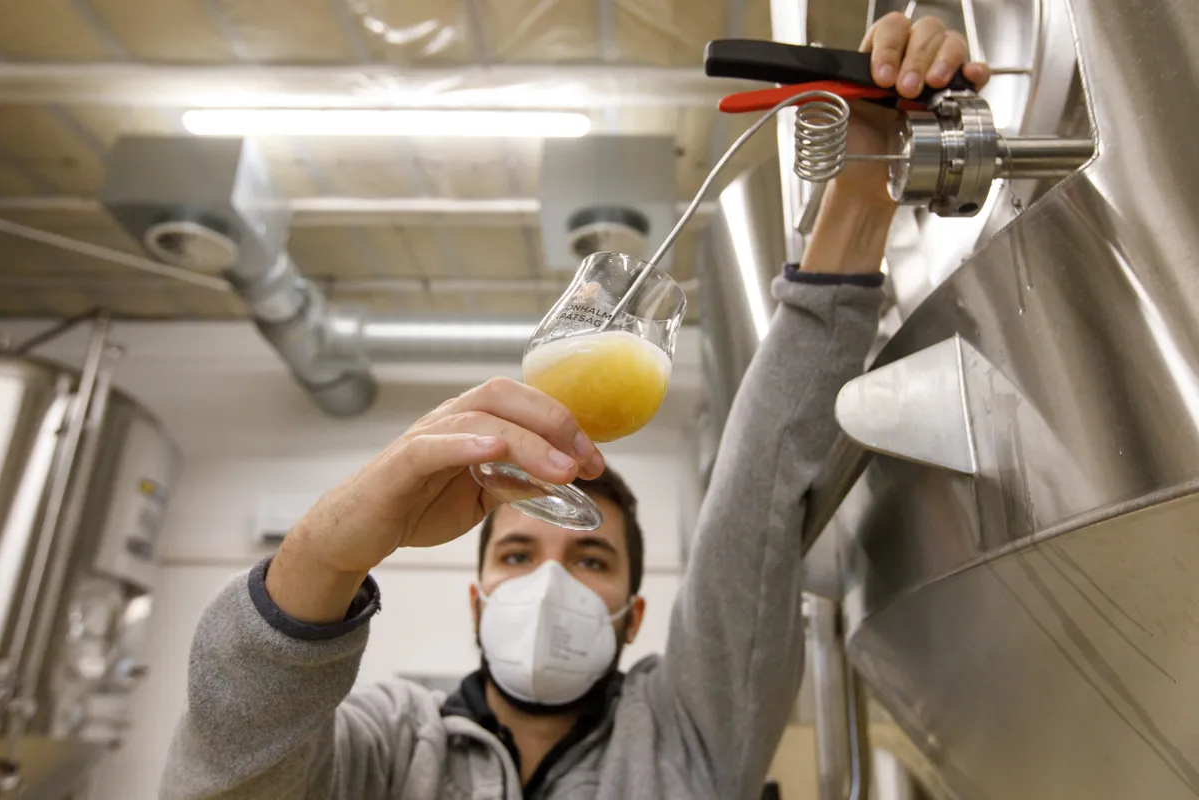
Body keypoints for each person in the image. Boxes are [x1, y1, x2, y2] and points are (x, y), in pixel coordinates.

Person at [161, 14, 990, 800]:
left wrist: (867, 174)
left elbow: (758, 494)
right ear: (478, 600)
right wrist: (326, 553)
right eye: (517, 554)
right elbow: (224, 777)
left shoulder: (687, 735)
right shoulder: (388, 746)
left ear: (632, 618)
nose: (549, 581)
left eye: (592, 561)